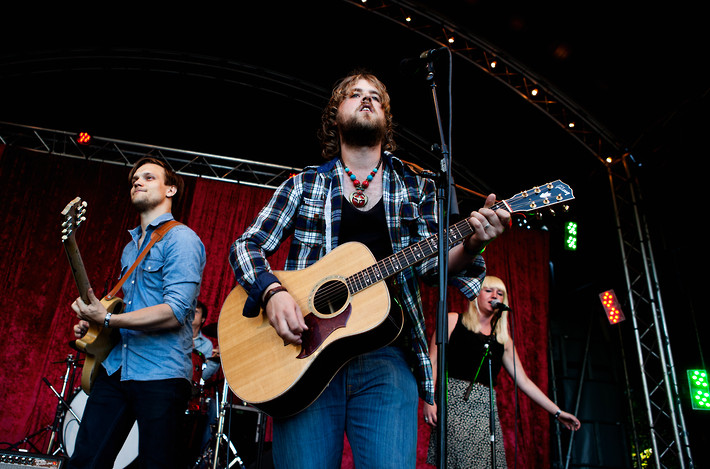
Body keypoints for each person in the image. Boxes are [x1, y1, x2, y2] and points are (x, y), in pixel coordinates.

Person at [229, 70, 511, 468]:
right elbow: (246, 245)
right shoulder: (304, 185)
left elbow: (434, 267)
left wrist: (474, 241)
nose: (366, 99)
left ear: (386, 119)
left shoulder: (419, 187)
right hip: (303, 356)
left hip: (387, 358)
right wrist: (273, 293)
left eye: (376, 96)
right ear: (335, 115)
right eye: (354, 94)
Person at [69, 157, 206, 469]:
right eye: (134, 180)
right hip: (116, 368)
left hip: (161, 374)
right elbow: (126, 308)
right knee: (86, 462)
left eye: (148, 177)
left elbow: (175, 311)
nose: (137, 182)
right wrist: (95, 326)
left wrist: (107, 319)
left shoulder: (182, 239)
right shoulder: (131, 248)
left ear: (171, 189)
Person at [423, 275, 581, 468]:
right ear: (475, 294)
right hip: (454, 402)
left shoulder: (502, 339)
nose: (494, 295)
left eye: (500, 293)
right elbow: (432, 360)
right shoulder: (453, 321)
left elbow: (524, 382)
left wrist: (557, 412)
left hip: (485, 408)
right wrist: (429, 400)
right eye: (488, 290)